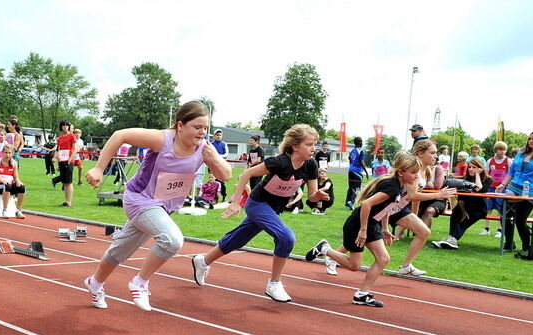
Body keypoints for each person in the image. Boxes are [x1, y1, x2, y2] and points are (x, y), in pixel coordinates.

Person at [84, 101, 232, 311]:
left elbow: (226, 175)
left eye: (205, 128)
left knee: (119, 252)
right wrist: (99, 169)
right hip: (139, 199)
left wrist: (215, 158)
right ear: (180, 125)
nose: (202, 132)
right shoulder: (162, 139)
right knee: (172, 241)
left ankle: (94, 283)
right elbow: (120, 135)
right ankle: (139, 283)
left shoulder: (204, 149)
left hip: (163, 207)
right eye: (197, 127)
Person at [192, 124, 327, 302]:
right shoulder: (279, 162)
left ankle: (203, 261)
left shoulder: (311, 165)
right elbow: (245, 174)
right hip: (258, 204)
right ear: (295, 146)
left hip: (274, 209)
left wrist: (318, 195)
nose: (313, 148)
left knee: (237, 239)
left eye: (315, 144)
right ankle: (274, 283)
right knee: (286, 237)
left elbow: (311, 195)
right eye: (309, 144)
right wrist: (235, 202)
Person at [305, 153, 423, 307]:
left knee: (383, 259)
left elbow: (386, 207)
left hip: (372, 224)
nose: (416, 176)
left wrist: (385, 228)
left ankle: (362, 295)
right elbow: (367, 204)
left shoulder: (398, 186)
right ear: (401, 172)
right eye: (413, 172)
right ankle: (325, 249)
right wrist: (363, 230)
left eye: (417, 172)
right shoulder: (392, 186)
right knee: (354, 266)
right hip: (357, 225)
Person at [388, 139, 456, 275]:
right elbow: (413, 195)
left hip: (398, 208)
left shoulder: (427, 171)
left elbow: (414, 197)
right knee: (363, 236)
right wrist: (439, 194)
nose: (436, 156)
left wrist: (413, 216)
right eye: (432, 153)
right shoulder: (415, 169)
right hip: (386, 206)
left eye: (436, 153)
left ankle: (406, 266)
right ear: (420, 154)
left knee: (424, 232)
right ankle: (333, 256)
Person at [496, 131, 533, 255]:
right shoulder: (521, 153)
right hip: (513, 188)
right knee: (504, 217)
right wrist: (503, 184)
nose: (531, 141)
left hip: (530, 192)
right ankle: (509, 243)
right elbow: (512, 171)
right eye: (529, 138)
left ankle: (527, 247)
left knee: (520, 220)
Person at [431, 158, 488, 249]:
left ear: (480, 168)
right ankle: (450, 239)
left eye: (474, 167)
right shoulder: (464, 180)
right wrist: (463, 211)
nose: (471, 169)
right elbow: (461, 198)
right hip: (465, 206)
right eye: (469, 167)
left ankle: (452, 240)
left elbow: (479, 189)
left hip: (479, 209)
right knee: (455, 214)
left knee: (464, 222)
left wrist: (477, 174)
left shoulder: (488, 180)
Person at [481, 141, 510, 236]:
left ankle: (500, 230)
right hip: (491, 188)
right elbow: (486, 173)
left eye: (504, 150)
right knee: (488, 208)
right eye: (500, 149)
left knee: (501, 209)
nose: (502, 151)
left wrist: (506, 184)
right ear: (495, 150)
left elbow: (511, 173)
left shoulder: (508, 161)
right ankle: (486, 228)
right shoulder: (490, 161)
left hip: (502, 189)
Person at [0, 144, 26, 219]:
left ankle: (18, 211)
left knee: (22, 187)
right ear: (2, 152)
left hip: (10, 185)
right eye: (6, 152)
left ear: (12, 153)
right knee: (7, 186)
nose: (8, 155)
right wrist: (1, 180)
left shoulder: (14, 163)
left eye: (10, 153)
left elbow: (16, 178)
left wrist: (19, 182)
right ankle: (5, 210)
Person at [51, 120, 77, 207]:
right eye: (63, 125)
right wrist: (56, 159)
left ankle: (69, 201)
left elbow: (75, 149)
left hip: (68, 161)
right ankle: (66, 201)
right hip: (62, 160)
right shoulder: (60, 138)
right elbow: (58, 150)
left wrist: (70, 159)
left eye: (66, 125)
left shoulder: (72, 136)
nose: (65, 127)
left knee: (68, 181)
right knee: (64, 182)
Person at [345, 136, 367, 208]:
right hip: (357, 171)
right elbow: (361, 161)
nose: (362, 143)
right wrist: (366, 171)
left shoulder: (352, 151)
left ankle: (347, 205)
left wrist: (352, 166)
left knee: (351, 187)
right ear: (360, 142)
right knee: (357, 188)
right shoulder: (361, 151)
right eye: (361, 142)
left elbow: (349, 159)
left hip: (350, 170)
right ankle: (351, 202)